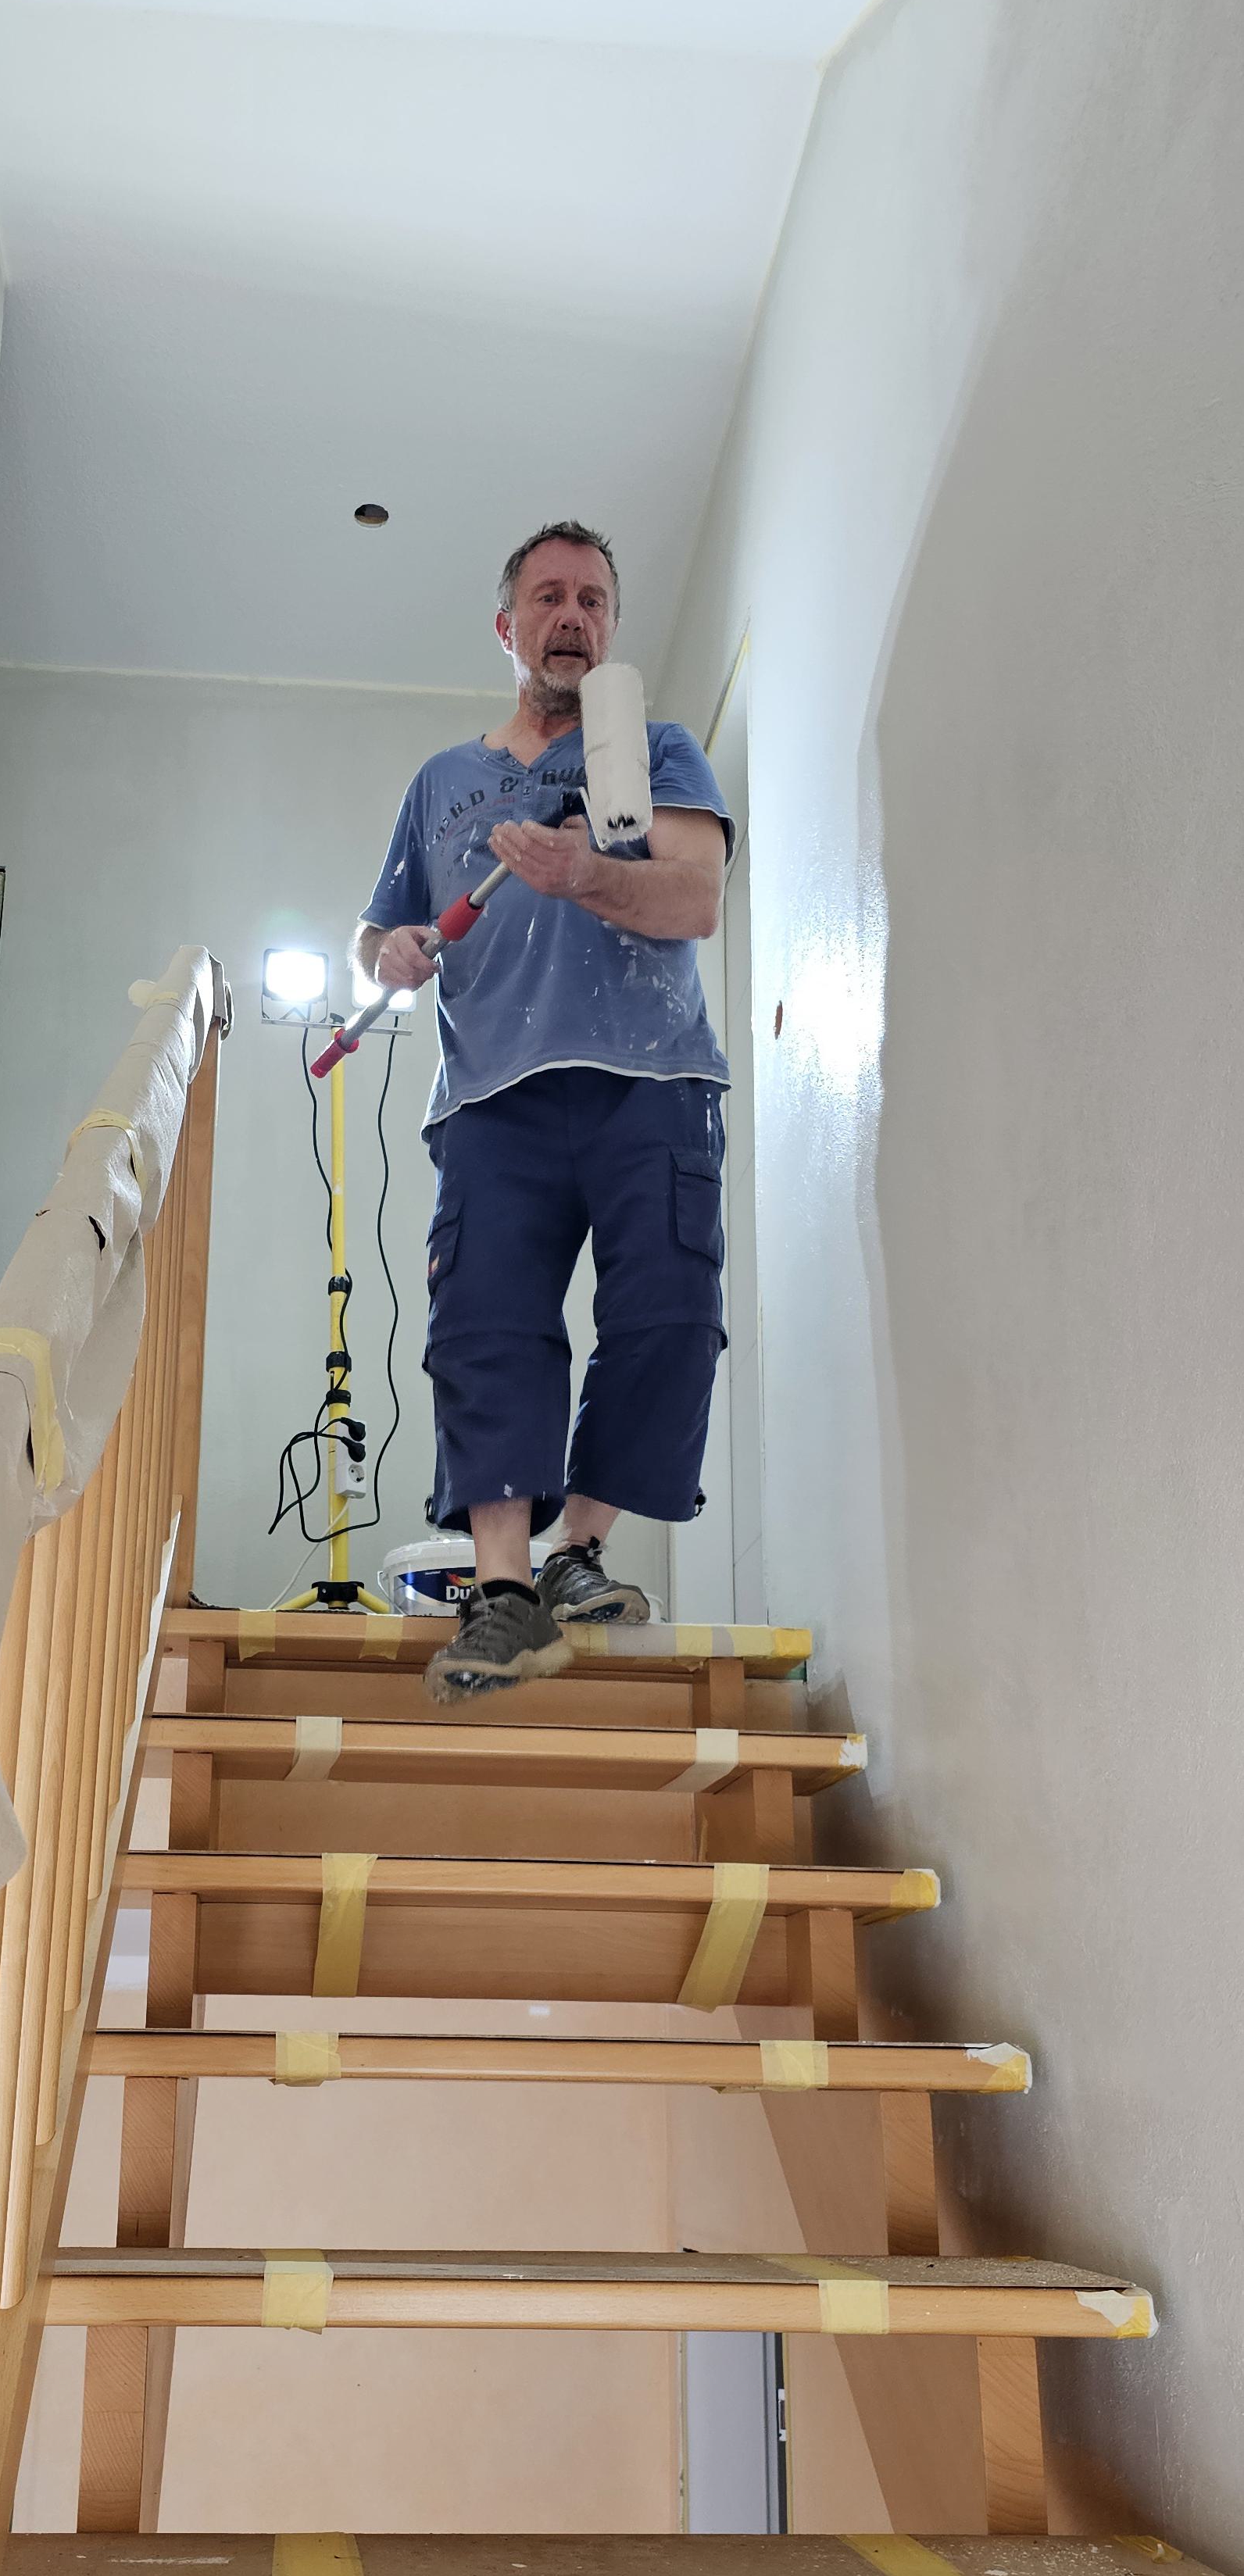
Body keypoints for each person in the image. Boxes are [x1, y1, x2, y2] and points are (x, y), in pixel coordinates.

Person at [352, 519, 735, 1703]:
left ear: (611, 628)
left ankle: (579, 1553)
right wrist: (390, 952)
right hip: (492, 1099)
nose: (573, 617)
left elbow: (696, 900)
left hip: (653, 1083)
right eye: (550, 597)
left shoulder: (658, 751)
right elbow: (378, 930)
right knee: (488, 1332)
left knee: (669, 1321)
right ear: (507, 626)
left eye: (594, 600)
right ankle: (505, 1593)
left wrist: (587, 876)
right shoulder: (441, 785)